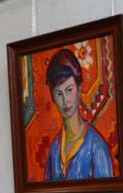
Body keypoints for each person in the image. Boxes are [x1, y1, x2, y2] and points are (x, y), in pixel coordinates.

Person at [43, 48, 114, 181]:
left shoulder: (96, 146)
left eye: (69, 90)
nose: (65, 101)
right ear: (52, 97)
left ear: (79, 88)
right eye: (59, 94)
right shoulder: (55, 149)